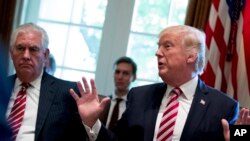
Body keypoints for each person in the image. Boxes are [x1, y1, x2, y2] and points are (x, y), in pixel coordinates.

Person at [70, 25, 250, 141]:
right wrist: (93, 122)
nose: (157, 53)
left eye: (167, 46)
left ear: (191, 56)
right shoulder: (139, 96)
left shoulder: (224, 106)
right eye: (158, 46)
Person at [6, 23, 88, 141]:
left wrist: (91, 123)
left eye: (33, 49)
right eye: (20, 48)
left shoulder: (67, 92)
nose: (26, 56)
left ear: (45, 55)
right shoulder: (2, 87)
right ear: (11, 53)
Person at [99, 56, 137, 130]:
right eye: (117, 72)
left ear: (134, 77)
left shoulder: (135, 107)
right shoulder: (103, 103)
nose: (120, 77)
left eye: (125, 73)